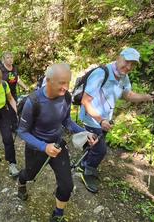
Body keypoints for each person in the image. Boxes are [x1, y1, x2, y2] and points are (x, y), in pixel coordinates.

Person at [17, 63, 97, 222]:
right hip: (36, 148)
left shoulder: (66, 97)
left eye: (68, 82)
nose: (65, 87)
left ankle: (58, 214)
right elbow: (22, 131)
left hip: (58, 145)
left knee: (67, 185)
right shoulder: (33, 101)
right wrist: (43, 146)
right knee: (30, 175)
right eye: (61, 83)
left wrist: (84, 132)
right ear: (48, 80)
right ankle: (21, 181)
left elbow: (66, 121)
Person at [79, 48, 154, 193]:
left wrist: (149, 97)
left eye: (132, 64)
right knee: (100, 150)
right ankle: (87, 171)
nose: (128, 67)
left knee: (95, 145)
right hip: (92, 118)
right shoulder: (101, 73)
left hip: (105, 120)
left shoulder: (123, 77)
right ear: (119, 57)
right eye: (127, 62)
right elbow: (85, 101)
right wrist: (100, 120)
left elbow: (128, 95)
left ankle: (84, 164)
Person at [0, 51, 28, 132]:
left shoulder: (15, 67)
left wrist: (25, 87)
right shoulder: (0, 68)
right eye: (7, 58)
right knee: (3, 111)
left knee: (14, 110)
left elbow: (17, 79)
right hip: (2, 93)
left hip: (13, 92)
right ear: (3, 59)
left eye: (11, 57)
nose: (10, 59)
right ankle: (2, 126)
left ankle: (14, 128)